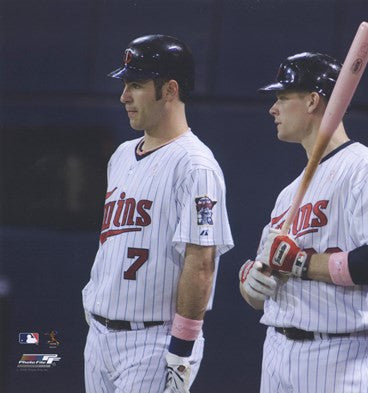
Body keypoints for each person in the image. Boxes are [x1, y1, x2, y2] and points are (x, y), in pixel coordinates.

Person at [239, 52, 368, 393]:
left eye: (283, 98)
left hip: (339, 356)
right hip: (276, 348)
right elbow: (265, 283)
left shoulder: (367, 171)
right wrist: (253, 282)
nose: (273, 109)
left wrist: (301, 263)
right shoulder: (288, 194)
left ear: (313, 100)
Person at [82, 34, 233, 393]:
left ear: (169, 89)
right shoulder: (121, 155)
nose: (124, 97)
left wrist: (181, 349)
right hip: (99, 336)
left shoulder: (196, 166)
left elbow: (201, 263)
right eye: (125, 85)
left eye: (135, 85)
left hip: (152, 343)